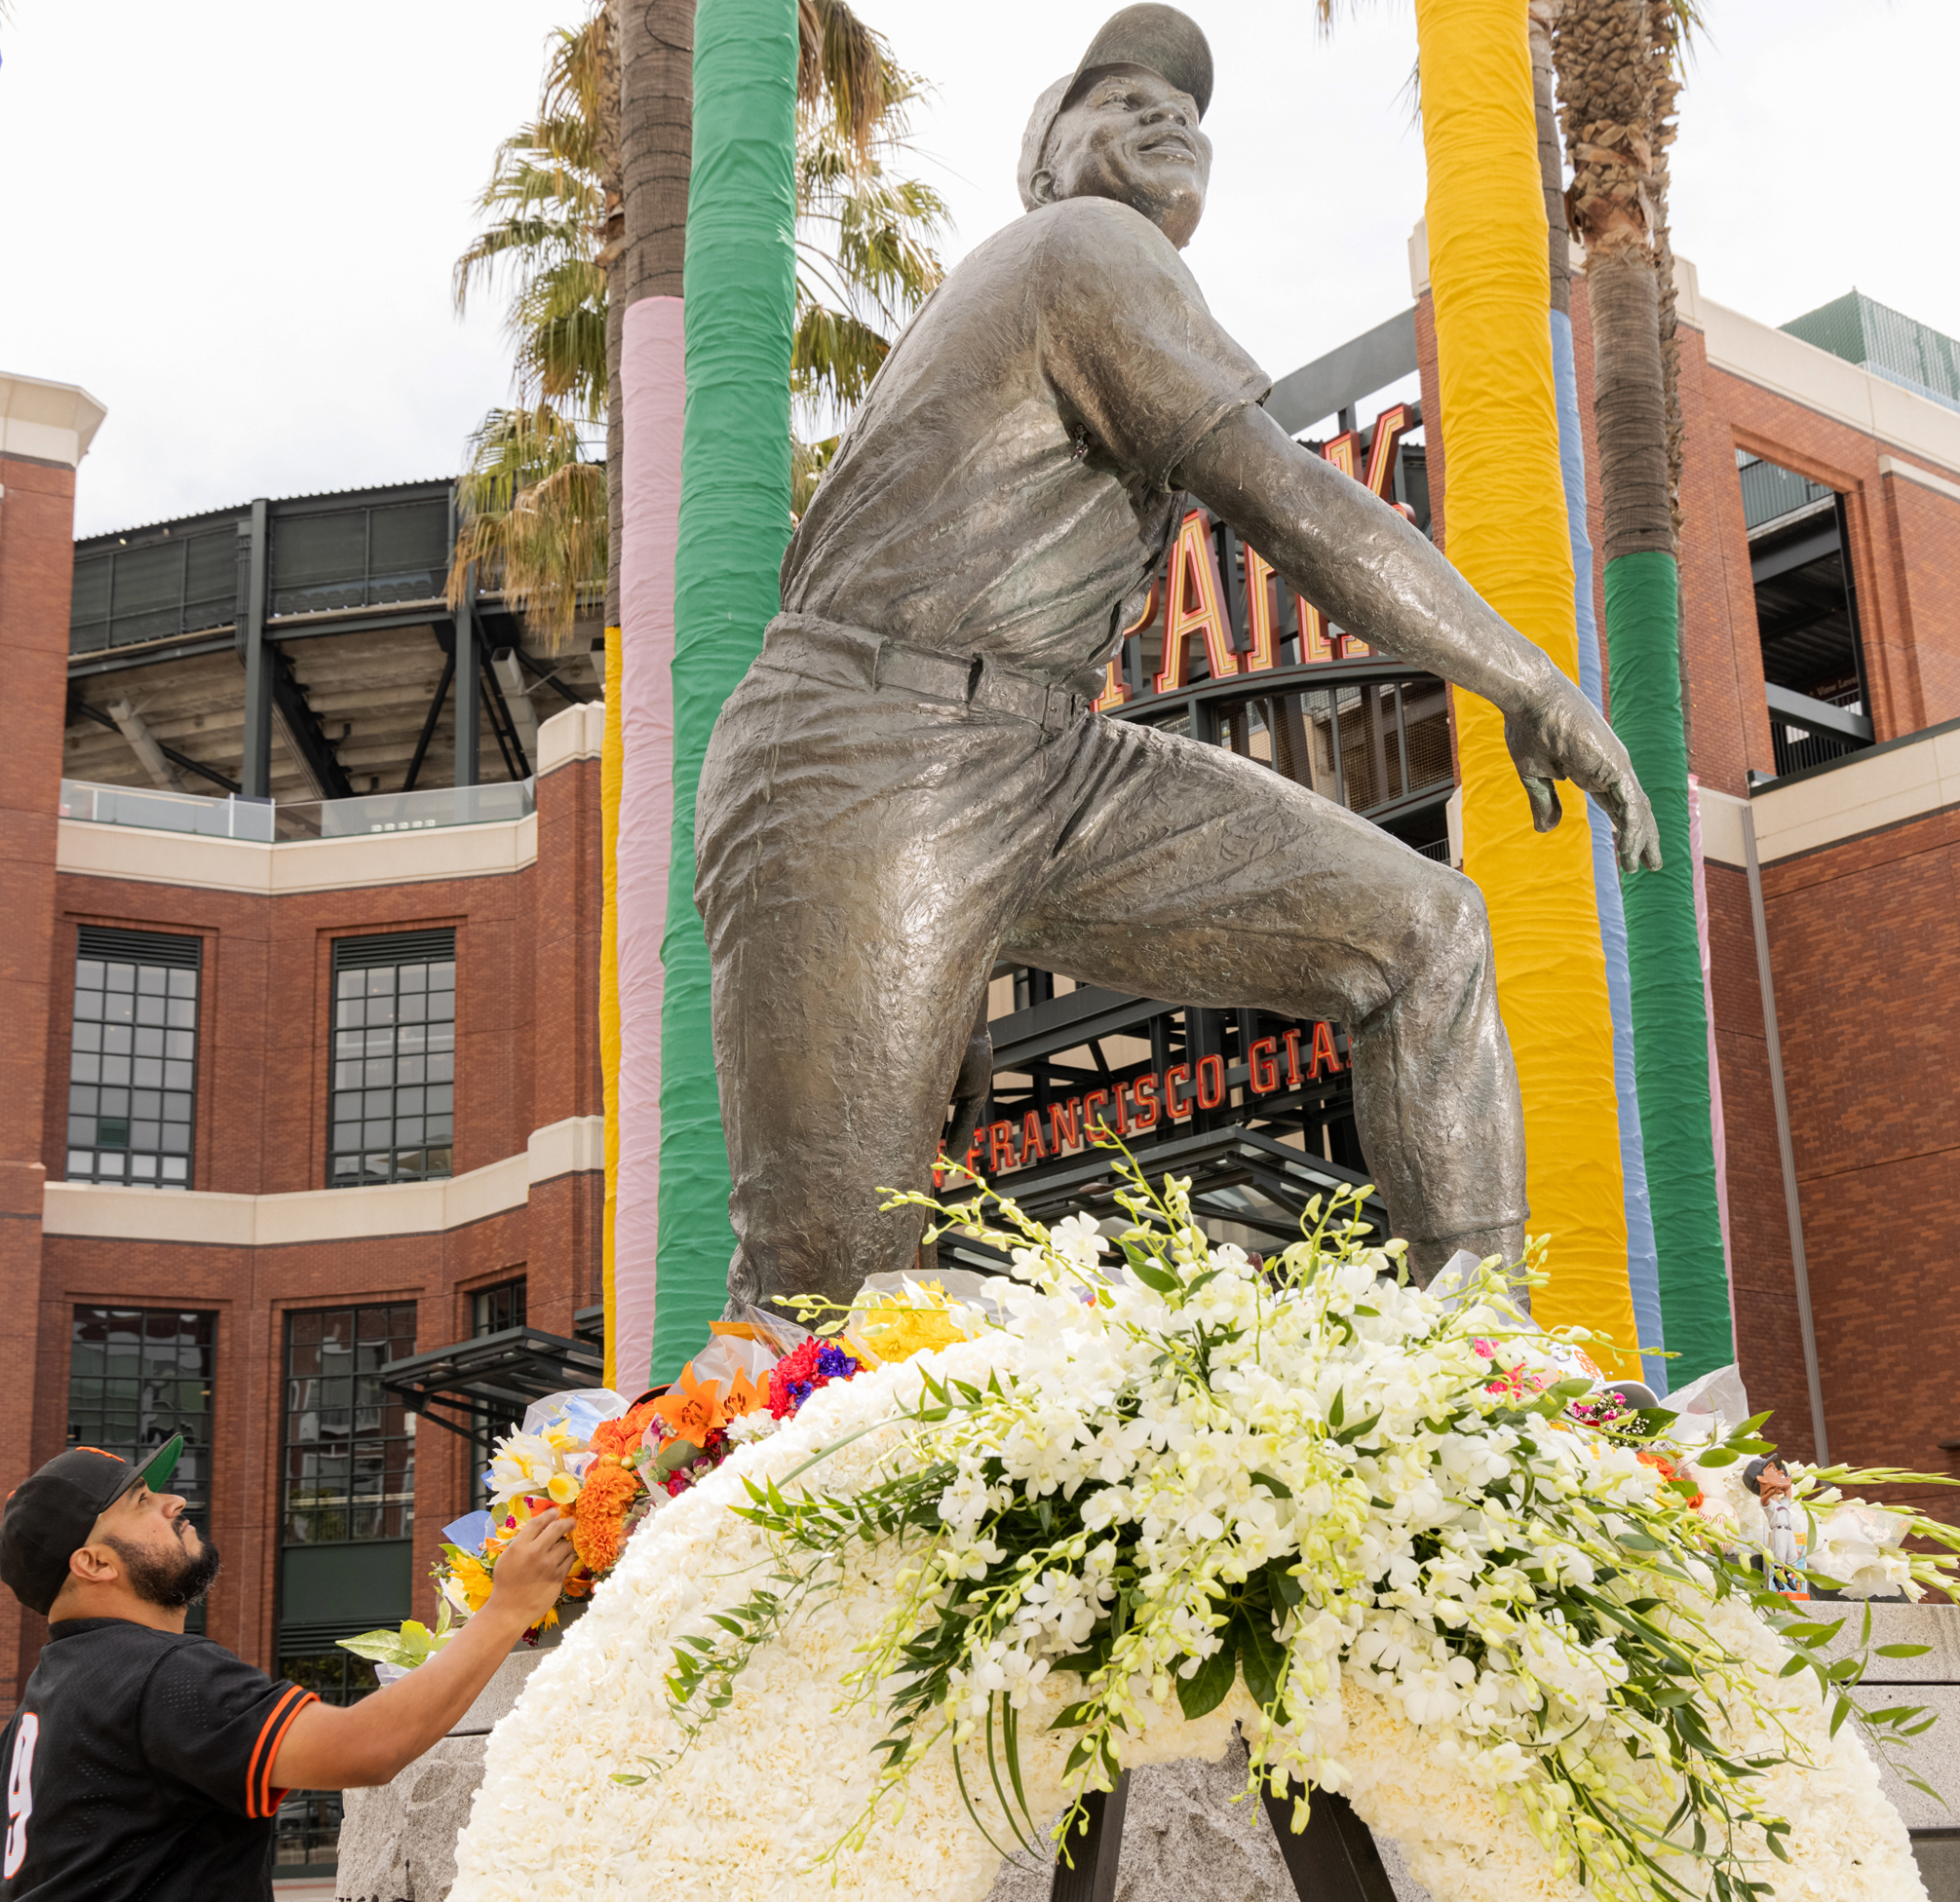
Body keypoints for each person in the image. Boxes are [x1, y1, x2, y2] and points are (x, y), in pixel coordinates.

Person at [695, 3, 1661, 1313]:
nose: (1167, 115)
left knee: (1421, 929)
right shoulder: (1075, 245)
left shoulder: (1108, 276)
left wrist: (962, 948)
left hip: (1044, 755)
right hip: (862, 756)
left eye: (1188, 109)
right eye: (1117, 96)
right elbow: (1293, 501)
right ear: (1044, 161)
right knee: (823, 1306)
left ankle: (1480, 1379)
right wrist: (1525, 676)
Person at [0, 1435, 574, 1899]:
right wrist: (507, 1609)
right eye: (140, 1503)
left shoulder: (38, 1707)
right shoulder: (158, 1674)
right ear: (95, 1563)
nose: (174, 1502)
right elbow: (364, 1748)